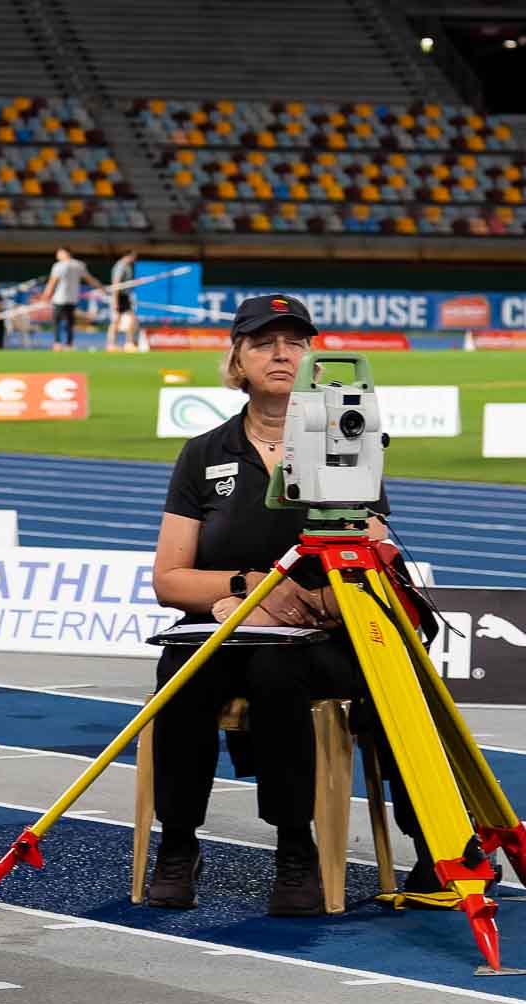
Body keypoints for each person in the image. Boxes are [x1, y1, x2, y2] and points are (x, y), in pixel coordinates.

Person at [148, 293, 434, 916]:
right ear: (238, 359)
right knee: (180, 672)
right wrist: (252, 590)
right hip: (235, 627)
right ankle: (175, 845)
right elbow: (169, 579)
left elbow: (371, 560)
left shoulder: (348, 441)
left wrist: (321, 599)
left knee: (279, 675)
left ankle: (295, 850)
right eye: (263, 342)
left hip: (326, 637)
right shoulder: (204, 453)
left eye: (295, 343)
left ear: (311, 358)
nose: (281, 354)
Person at [40, 247, 104, 350]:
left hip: (59, 299)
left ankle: (57, 343)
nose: (57, 255)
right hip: (72, 299)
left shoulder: (59, 266)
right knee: (70, 323)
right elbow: (90, 279)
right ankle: (69, 344)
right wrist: (101, 288)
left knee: (57, 322)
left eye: (59, 253)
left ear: (65, 253)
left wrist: (45, 296)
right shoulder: (79, 265)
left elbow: (52, 283)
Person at [107, 250, 140, 351]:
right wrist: (115, 300)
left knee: (130, 319)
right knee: (117, 320)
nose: (135, 259)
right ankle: (113, 344)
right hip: (119, 296)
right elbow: (116, 283)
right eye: (134, 256)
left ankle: (127, 343)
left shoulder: (128, 266)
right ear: (128, 255)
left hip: (125, 296)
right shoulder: (121, 266)